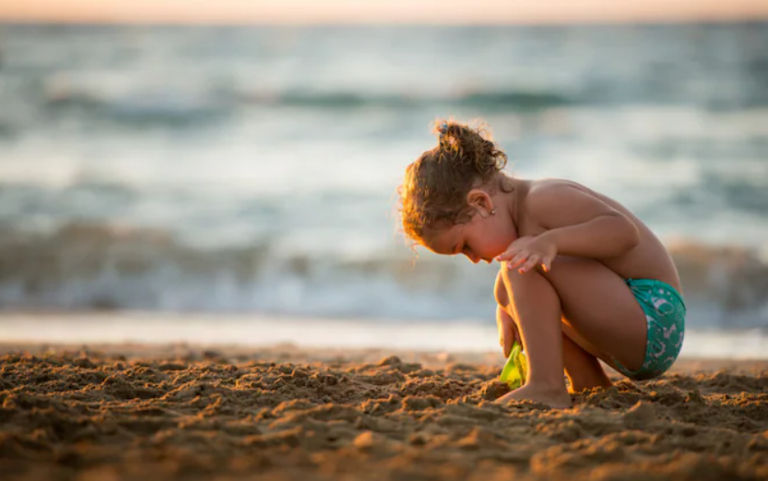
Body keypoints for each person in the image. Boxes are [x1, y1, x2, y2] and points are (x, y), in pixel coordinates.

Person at [397, 119, 686, 408]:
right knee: (507, 283)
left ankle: (546, 385)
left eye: (465, 247)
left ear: (482, 203)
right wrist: (509, 308)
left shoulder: (544, 199)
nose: (473, 259)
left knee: (519, 264)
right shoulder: (524, 222)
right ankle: (588, 382)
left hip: (653, 317)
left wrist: (552, 242)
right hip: (637, 331)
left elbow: (625, 233)